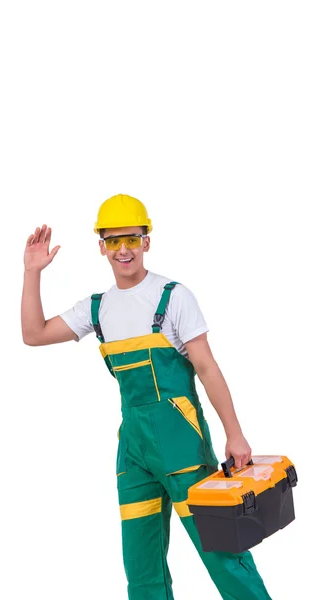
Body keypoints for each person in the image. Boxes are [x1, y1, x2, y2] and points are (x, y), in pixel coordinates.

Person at [21, 194, 272, 600]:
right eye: (115, 240)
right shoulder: (97, 308)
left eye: (132, 240)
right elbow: (33, 334)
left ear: (146, 241)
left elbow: (207, 368)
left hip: (183, 445)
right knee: (141, 568)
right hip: (133, 452)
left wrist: (235, 434)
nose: (124, 250)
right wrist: (32, 273)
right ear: (101, 245)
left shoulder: (173, 296)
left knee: (223, 553)